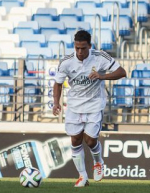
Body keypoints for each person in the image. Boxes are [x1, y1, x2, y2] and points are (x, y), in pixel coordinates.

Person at [52, 30, 127, 187]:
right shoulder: (66, 61)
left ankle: (98, 162)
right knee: (75, 139)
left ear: (89, 46)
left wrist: (102, 76)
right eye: (77, 48)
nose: (80, 51)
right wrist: (56, 102)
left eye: (83, 48)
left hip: (94, 103)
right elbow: (58, 83)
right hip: (74, 105)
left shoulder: (100, 57)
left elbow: (122, 72)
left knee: (90, 140)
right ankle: (82, 176)